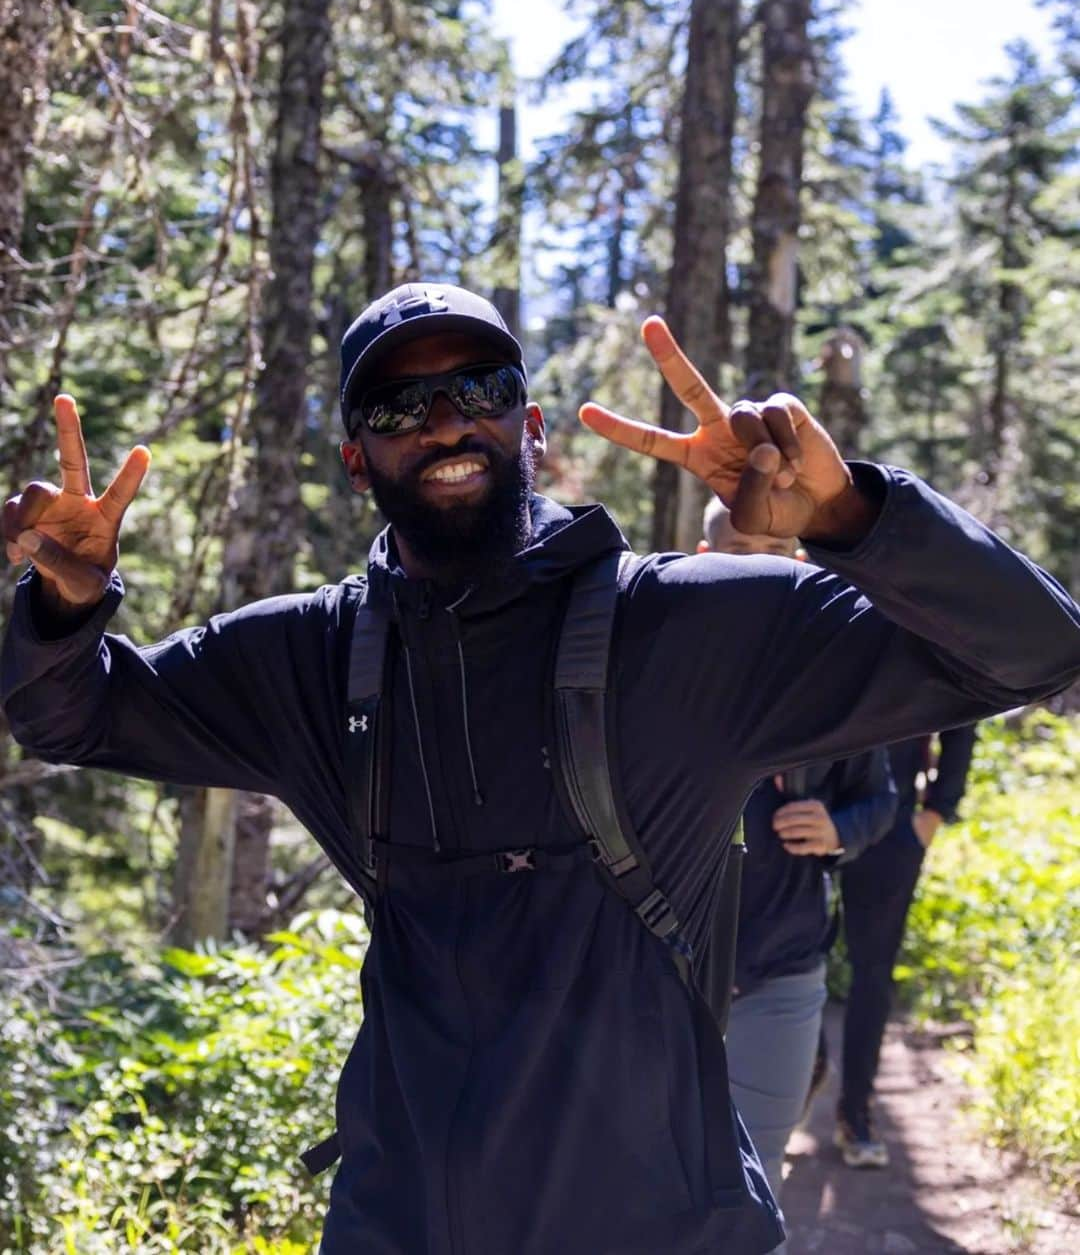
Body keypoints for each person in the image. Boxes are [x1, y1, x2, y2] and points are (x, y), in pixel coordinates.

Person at [3, 280, 1079, 1255]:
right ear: (352, 459)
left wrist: (852, 520)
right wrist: (65, 607)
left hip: (658, 1226)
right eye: (395, 406)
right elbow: (75, 713)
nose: (443, 420)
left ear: (533, 422)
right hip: (399, 1220)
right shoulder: (310, 659)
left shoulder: (686, 630)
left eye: (481, 384)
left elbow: (1032, 649)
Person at [700, 498, 898, 1245]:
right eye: (740, 546)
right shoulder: (656, 669)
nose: (759, 562)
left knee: (757, 1191)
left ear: (801, 561)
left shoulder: (830, 681)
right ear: (698, 556)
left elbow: (879, 795)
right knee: (649, 1185)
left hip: (781, 973)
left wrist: (837, 828)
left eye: (777, 547)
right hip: (662, 979)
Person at [835, 724, 978, 1168]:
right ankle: (800, 1071)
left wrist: (935, 812)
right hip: (800, 810)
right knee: (788, 958)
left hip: (893, 828)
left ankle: (855, 1110)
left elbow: (963, 708)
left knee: (872, 971)